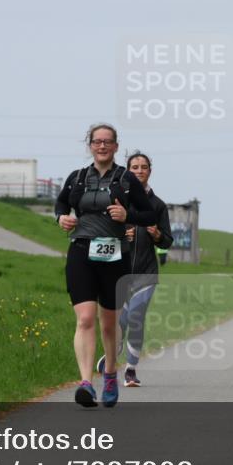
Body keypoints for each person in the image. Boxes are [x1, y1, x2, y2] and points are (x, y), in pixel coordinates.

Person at [55, 124, 155, 407]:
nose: (101, 146)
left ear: (115, 146)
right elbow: (61, 205)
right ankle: (86, 384)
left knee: (109, 325)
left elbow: (148, 214)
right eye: (97, 142)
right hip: (81, 251)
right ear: (90, 145)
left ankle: (110, 373)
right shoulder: (76, 178)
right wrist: (61, 218)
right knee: (85, 319)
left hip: (114, 257)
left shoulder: (126, 179)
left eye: (107, 142)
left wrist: (127, 214)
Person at [95, 151, 173, 388]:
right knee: (120, 322)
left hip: (146, 273)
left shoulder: (158, 206)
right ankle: (113, 353)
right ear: (128, 171)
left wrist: (157, 234)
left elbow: (167, 241)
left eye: (144, 167)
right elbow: (100, 235)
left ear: (150, 171)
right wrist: (121, 235)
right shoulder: (116, 200)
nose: (139, 171)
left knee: (135, 317)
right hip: (119, 273)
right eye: (135, 167)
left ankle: (130, 370)